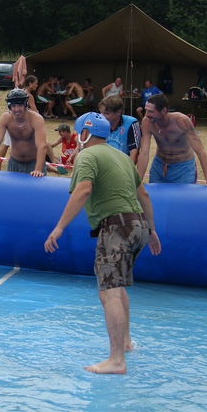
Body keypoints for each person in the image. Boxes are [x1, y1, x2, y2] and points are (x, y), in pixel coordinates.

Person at [44, 112, 161, 374]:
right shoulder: (122, 156)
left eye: (78, 133)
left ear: (85, 134)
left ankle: (116, 360)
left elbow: (84, 189)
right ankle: (126, 342)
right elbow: (143, 194)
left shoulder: (87, 156)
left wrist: (59, 227)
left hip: (115, 227)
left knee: (109, 292)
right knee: (117, 287)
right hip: (137, 225)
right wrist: (152, 230)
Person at [138, 93, 207, 187]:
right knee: (154, 196)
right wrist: (137, 182)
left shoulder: (181, 121)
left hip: (183, 168)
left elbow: (200, 151)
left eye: (150, 111)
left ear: (164, 111)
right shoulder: (147, 122)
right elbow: (144, 153)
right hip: (159, 166)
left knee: (184, 196)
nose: (146, 114)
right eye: (146, 110)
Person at [0, 89, 48, 176]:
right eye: (13, 106)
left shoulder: (36, 119)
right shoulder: (5, 118)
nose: (16, 109)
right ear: (9, 106)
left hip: (34, 163)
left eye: (20, 105)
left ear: (25, 105)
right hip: (14, 163)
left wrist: (38, 169)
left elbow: (42, 146)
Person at [99, 95, 141, 164]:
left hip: (123, 165)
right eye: (101, 113)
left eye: (106, 113)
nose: (101, 117)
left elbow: (134, 151)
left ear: (118, 112)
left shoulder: (131, 123)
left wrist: (129, 169)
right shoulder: (98, 122)